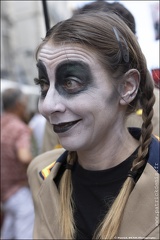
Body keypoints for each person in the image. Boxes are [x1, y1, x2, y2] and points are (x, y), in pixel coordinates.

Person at [27, 11, 159, 239]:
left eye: (70, 82)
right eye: (44, 84)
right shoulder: (42, 175)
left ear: (127, 87)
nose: (47, 106)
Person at [1, 88, 34, 239]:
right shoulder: (20, 128)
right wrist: (39, 162)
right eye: (25, 103)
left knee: (9, 226)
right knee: (26, 222)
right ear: (18, 105)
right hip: (16, 188)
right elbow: (24, 157)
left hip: (4, 190)